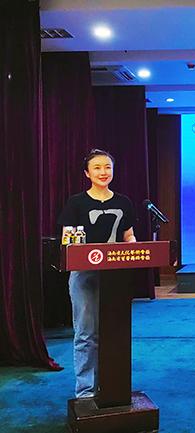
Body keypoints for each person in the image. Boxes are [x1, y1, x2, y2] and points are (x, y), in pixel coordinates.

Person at [57, 148, 136, 398]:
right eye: (97, 168)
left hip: (116, 276)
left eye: (108, 167)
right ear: (87, 173)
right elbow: (68, 238)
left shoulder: (123, 202)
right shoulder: (76, 202)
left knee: (114, 331)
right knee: (86, 333)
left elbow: (128, 236)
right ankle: (86, 391)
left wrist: (136, 248)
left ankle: (112, 387)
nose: (104, 172)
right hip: (84, 274)